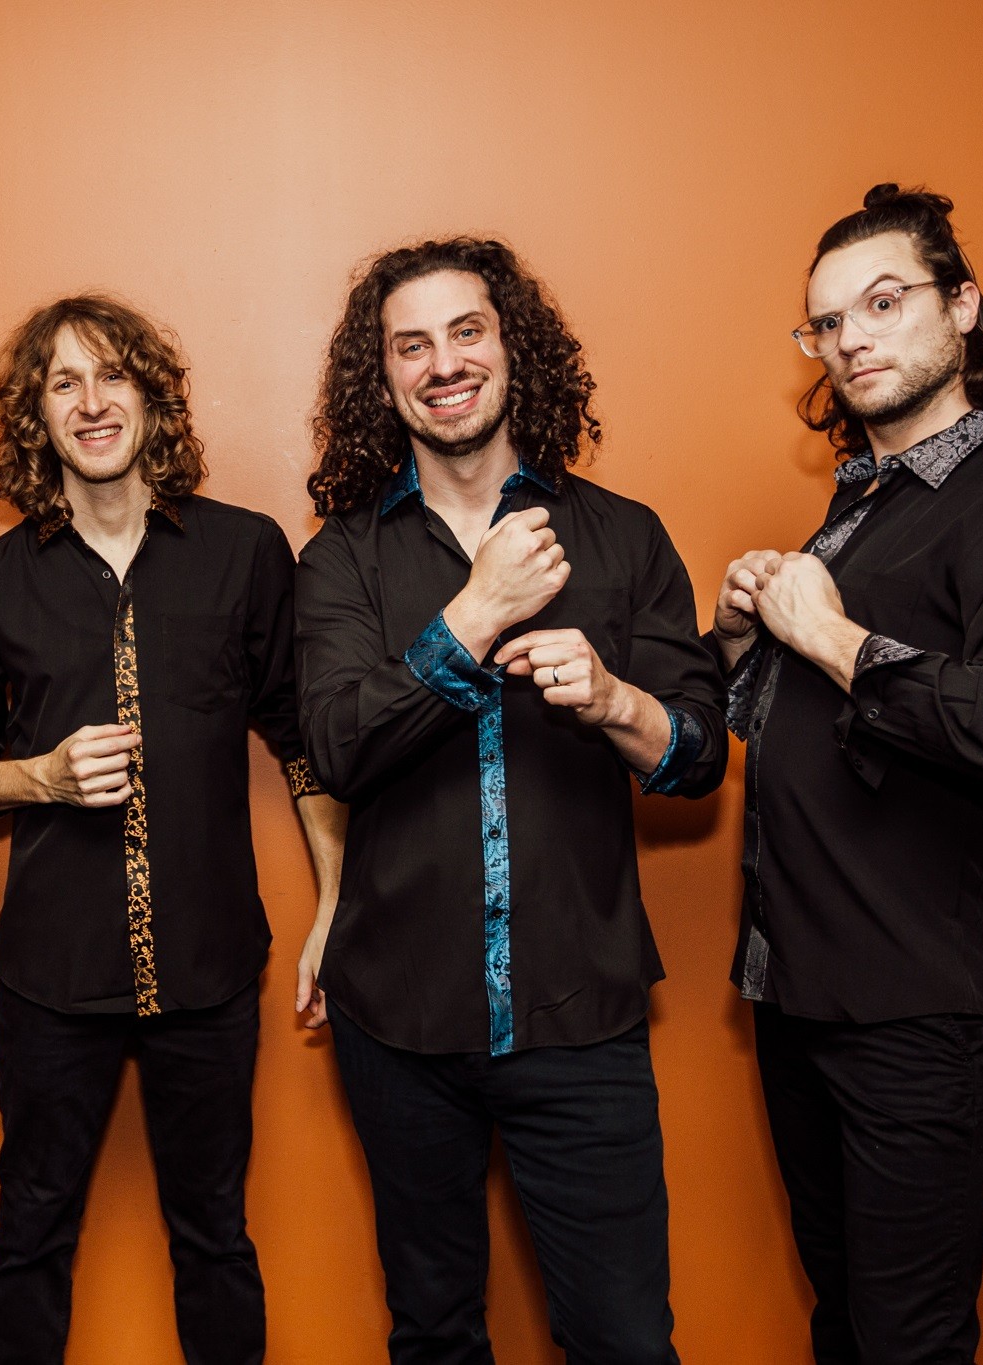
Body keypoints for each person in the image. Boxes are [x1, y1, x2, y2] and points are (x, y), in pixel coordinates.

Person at [294, 237, 725, 1364]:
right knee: (433, 1335)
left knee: (624, 1340)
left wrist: (614, 700)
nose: (443, 362)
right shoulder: (340, 561)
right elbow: (336, 745)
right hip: (398, 1023)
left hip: (579, 1017)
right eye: (411, 345)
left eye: (465, 331)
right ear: (381, 380)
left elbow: (696, 758)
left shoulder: (622, 536)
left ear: (510, 346)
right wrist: (472, 618)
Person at [709, 184, 983, 1364]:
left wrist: (828, 635)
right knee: (845, 1323)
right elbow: (790, 735)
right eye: (825, 324)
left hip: (923, 1014)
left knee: (906, 1341)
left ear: (962, 309)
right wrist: (746, 636)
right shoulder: (851, 510)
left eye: (881, 303)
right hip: (799, 998)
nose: (851, 340)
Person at [0, 294, 347, 1365]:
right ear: (36, 416)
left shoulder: (246, 554)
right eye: (62, 383)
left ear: (153, 396)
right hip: (49, 979)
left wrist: (335, 901)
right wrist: (43, 778)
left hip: (208, 972)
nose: (91, 401)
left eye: (111, 374)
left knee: (214, 1236)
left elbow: (298, 737)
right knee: (30, 1235)